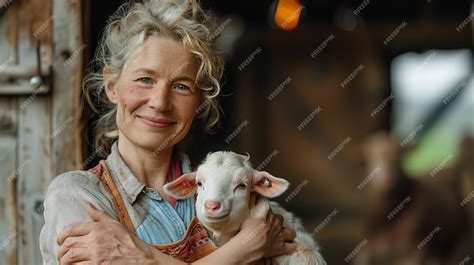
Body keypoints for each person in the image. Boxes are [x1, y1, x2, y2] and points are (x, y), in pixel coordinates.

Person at [39, 0, 297, 264]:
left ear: (199, 103)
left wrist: (141, 256)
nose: (160, 102)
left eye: (181, 86)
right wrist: (244, 248)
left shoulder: (228, 190)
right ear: (112, 86)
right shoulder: (77, 195)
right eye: (145, 80)